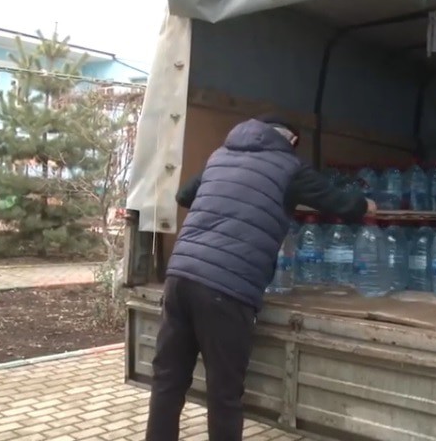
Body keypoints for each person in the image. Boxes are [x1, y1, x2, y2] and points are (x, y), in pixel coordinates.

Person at [144, 114, 377, 441]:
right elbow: (336, 201)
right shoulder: (290, 168)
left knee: (167, 380)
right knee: (224, 395)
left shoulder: (220, 156)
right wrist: (365, 204)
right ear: (291, 141)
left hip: (180, 278)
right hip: (226, 288)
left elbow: (184, 196)